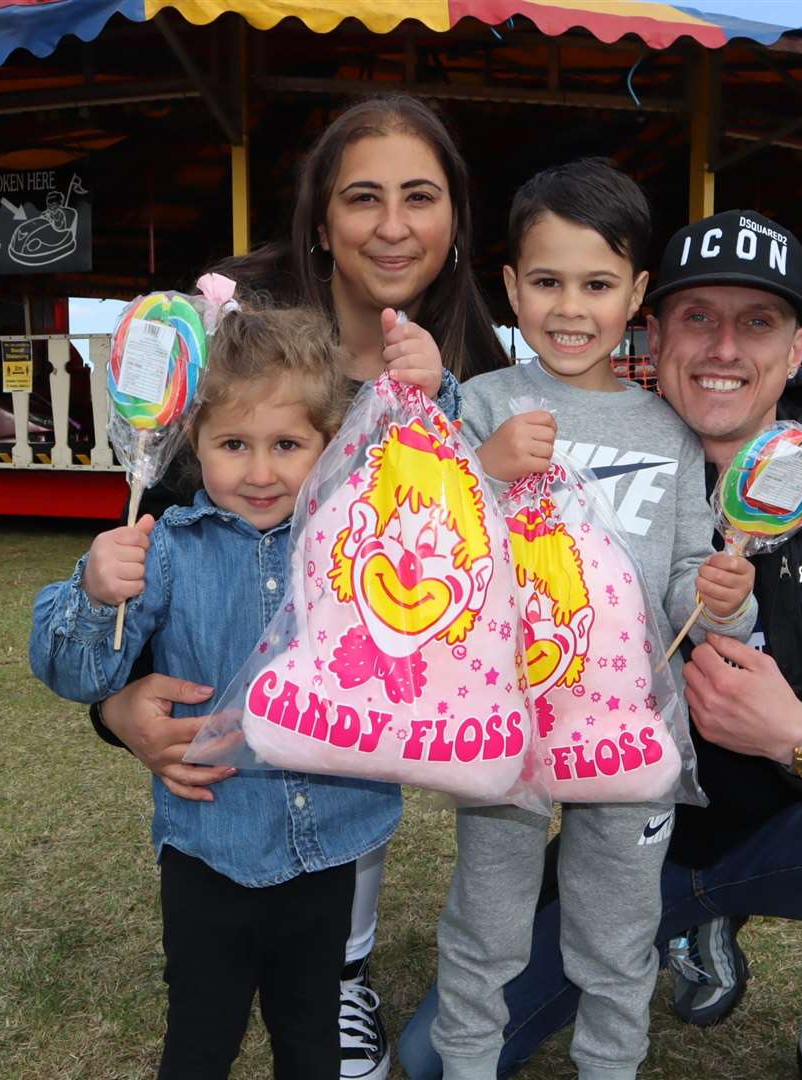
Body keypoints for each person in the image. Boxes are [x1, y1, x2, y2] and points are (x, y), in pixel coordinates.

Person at [399, 208, 802, 1080]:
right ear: (655, 329)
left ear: (797, 349)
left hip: (789, 832)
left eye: (757, 323)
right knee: (431, 1060)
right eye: (697, 318)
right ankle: (689, 926)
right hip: (628, 827)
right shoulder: (597, 459)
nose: (722, 348)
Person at [91, 94, 509, 1080]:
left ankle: (344, 975)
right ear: (322, 223)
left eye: (421, 197)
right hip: (230, 764)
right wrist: (118, 707)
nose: (394, 225)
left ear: (455, 222)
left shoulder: (476, 372)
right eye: (363, 198)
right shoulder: (241, 354)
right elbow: (150, 543)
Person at [435, 160, 755, 1080]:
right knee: (485, 920)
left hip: (627, 726)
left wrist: (728, 599)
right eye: (546, 282)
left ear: (637, 295)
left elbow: (691, 575)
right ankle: (464, 1063)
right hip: (500, 722)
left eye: (598, 284)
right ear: (509, 287)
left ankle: (610, 1065)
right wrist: (484, 469)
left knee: (619, 927)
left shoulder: (669, 431)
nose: (570, 307)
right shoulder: (483, 405)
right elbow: (433, 549)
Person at [31, 304, 400, 1078]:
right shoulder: (162, 551)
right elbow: (77, 673)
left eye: (288, 445)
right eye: (234, 444)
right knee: (202, 1036)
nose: (260, 472)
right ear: (193, 443)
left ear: (331, 445)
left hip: (326, 843)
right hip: (209, 846)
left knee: (311, 1034)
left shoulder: (352, 539)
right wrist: (97, 596)